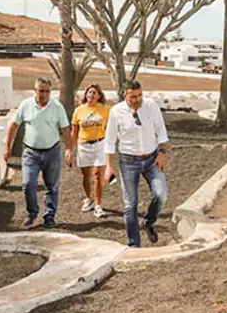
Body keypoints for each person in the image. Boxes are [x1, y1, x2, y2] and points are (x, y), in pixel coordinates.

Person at [103, 80, 168, 247]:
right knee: (130, 204)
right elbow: (109, 141)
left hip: (151, 158)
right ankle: (134, 244)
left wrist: (161, 153)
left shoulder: (151, 106)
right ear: (125, 95)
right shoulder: (116, 112)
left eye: (140, 95)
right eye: (133, 97)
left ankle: (148, 222)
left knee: (161, 195)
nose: (138, 99)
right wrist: (109, 166)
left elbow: (161, 130)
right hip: (128, 161)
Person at [4, 77, 69, 228]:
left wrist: (69, 150)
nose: (43, 94)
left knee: (51, 186)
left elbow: (65, 129)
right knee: (28, 184)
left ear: (50, 92)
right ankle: (31, 213)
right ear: (35, 91)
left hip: (52, 151)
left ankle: (49, 216)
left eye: (46, 91)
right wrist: (7, 147)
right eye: (41, 91)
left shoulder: (57, 107)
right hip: (31, 153)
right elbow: (13, 126)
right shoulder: (26, 105)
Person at [66, 83, 112, 218]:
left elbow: (113, 125)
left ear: (99, 96)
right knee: (86, 175)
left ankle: (98, 205)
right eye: (89, 93)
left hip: (100, 144)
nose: (91, 95)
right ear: (86, 95)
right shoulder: (79, 111)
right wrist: (69, 149)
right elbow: (74, 132)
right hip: (84, 146)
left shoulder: (106, 109)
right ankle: (88, 198)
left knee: (98, 174)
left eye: (94, 93)